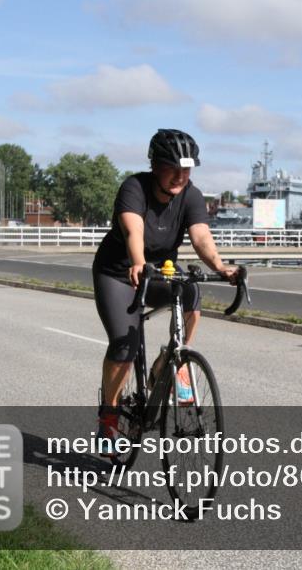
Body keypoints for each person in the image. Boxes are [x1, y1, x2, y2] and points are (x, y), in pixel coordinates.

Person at [92, 129, 237, 447]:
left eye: (187, 169)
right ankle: (109, 418)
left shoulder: (191, 195)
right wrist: (138, 261)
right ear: (155, 165)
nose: (180, 176)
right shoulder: (134, 188)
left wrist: (221, 267)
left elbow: (201, 238)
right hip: (118, 274)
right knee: (124, 346)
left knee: (192, 294)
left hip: (161, 273)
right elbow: (134, 229)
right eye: (173, 168)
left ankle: (171, 362)